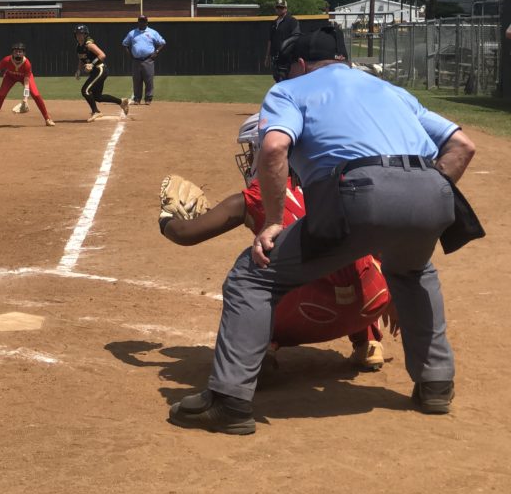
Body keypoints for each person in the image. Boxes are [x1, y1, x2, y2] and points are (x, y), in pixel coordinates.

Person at [170, 25, 476, 435]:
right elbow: (463, 146)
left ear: (300, 63)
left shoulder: (291, 90)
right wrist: (430, 188)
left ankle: (229, 401)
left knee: (252, 277)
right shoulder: (390, 90)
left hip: (357, 190)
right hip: (432, 189)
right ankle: (436, 385)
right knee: (414, 272)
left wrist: (276, 221)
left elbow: (275, 147)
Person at [160, 114, 391, 371]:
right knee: (360, 256)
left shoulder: (259, 194)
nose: (248, 160)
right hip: (373, 301)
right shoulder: (337, 178)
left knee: (254, 270)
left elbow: (185, 234)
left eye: (251, 151)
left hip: (312, 313)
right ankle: (368, 342)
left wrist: (165, 218)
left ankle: (261, 351)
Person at [0, 41, 55, 127]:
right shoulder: (7, 60)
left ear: (24, 53)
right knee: (1, 94)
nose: (18, 54)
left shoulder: (27, 64)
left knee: (36, 95)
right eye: (15, 51)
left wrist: (25, 99)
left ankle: (47, 119)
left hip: (24, 78)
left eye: (20, 51)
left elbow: (26, 83)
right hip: (10, 77)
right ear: (12, 53)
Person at [74, 24, 130, 122]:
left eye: (81, 34)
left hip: (100, 69)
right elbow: (81, 59)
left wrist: (91, 64)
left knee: (85, 91)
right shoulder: (78, 46)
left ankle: (96, 112)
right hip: (95, 72)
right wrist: (78, 70)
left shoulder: (89, 44)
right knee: (98, 97)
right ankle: (122, 102)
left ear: (85, 34)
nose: (79, 36)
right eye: (77, 34)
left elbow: (102, 55)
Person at [122, 15, 165, 105]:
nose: (142, 22)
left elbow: (162, 42)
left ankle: (148, 98)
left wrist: (156, 51)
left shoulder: (152, 32)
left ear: (146, 22)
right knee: (136, 80)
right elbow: (125, 44)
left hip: (148, 59)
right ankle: (137, 99)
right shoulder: (132, 33)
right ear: (138, 22)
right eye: (140, 21)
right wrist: (130, 55)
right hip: (136, 60)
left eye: (143, 21)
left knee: (149, 80)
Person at [264, 0, 299, 82]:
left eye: (281, 7)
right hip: (275, 56)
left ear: (286, 9)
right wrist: (267, 56)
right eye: (278, 7)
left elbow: (296, 37)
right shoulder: (274, 23)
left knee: (286, 79)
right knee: (277, 78)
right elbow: (270, 40)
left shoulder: (292, 21)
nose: (279, 9)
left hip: (287, 57)